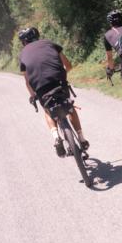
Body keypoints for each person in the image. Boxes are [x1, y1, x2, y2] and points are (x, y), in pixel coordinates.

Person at [18, 27, 89, 156]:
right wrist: (60, 76)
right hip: (59, 83)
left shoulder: (22, 54)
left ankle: (56, 136)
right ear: (37, 36)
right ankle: (82, 138)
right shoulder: (49, 44)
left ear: (23, 42)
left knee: (48, 112)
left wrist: (33, 95)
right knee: (70, 107)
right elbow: (68, 66)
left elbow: (27, 81)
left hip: (41, 88)